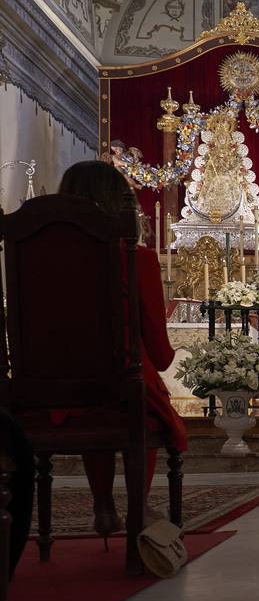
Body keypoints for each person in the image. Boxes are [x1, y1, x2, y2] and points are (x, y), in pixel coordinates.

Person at [56, 161, 188, 538]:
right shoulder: (137, 257)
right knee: (135, 403)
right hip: (125, 389)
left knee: (90, 399)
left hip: (58, 389)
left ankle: (102, 503)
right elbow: (161, 356)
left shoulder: (40, 260)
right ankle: (138, 505)